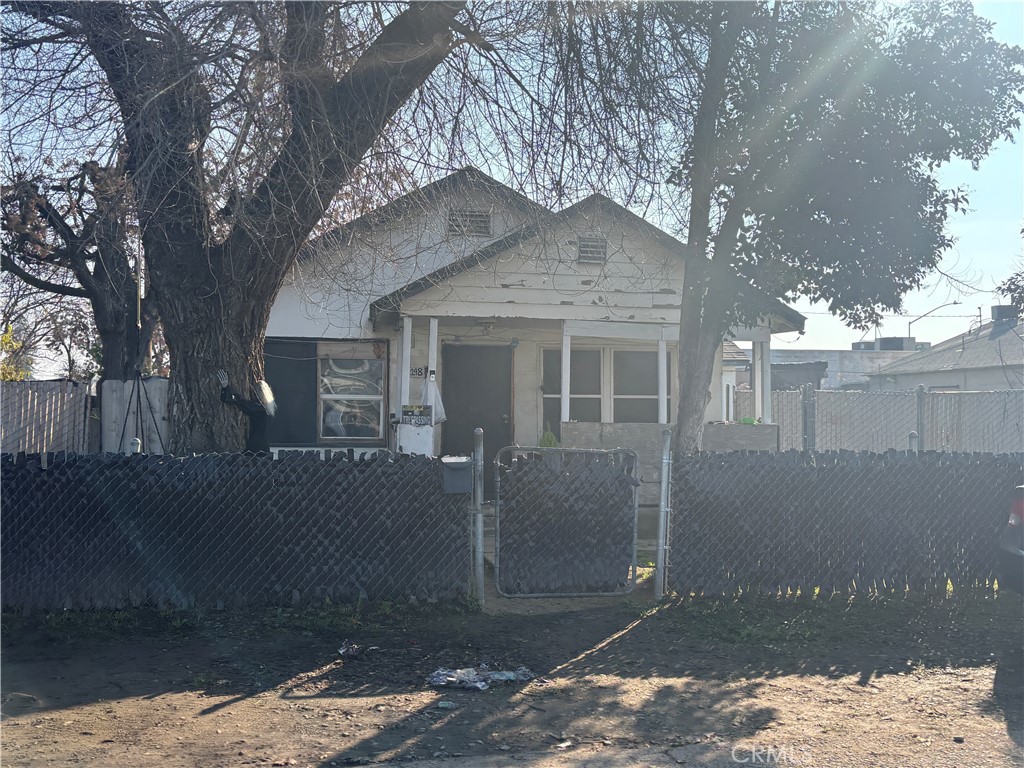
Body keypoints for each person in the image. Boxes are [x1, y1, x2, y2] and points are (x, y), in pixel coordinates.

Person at [218, 370, 276, 453]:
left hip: (255, 448)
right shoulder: (267, 409)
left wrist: (226, 387)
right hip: (263, 447)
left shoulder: (258, 409)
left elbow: (239, 402)